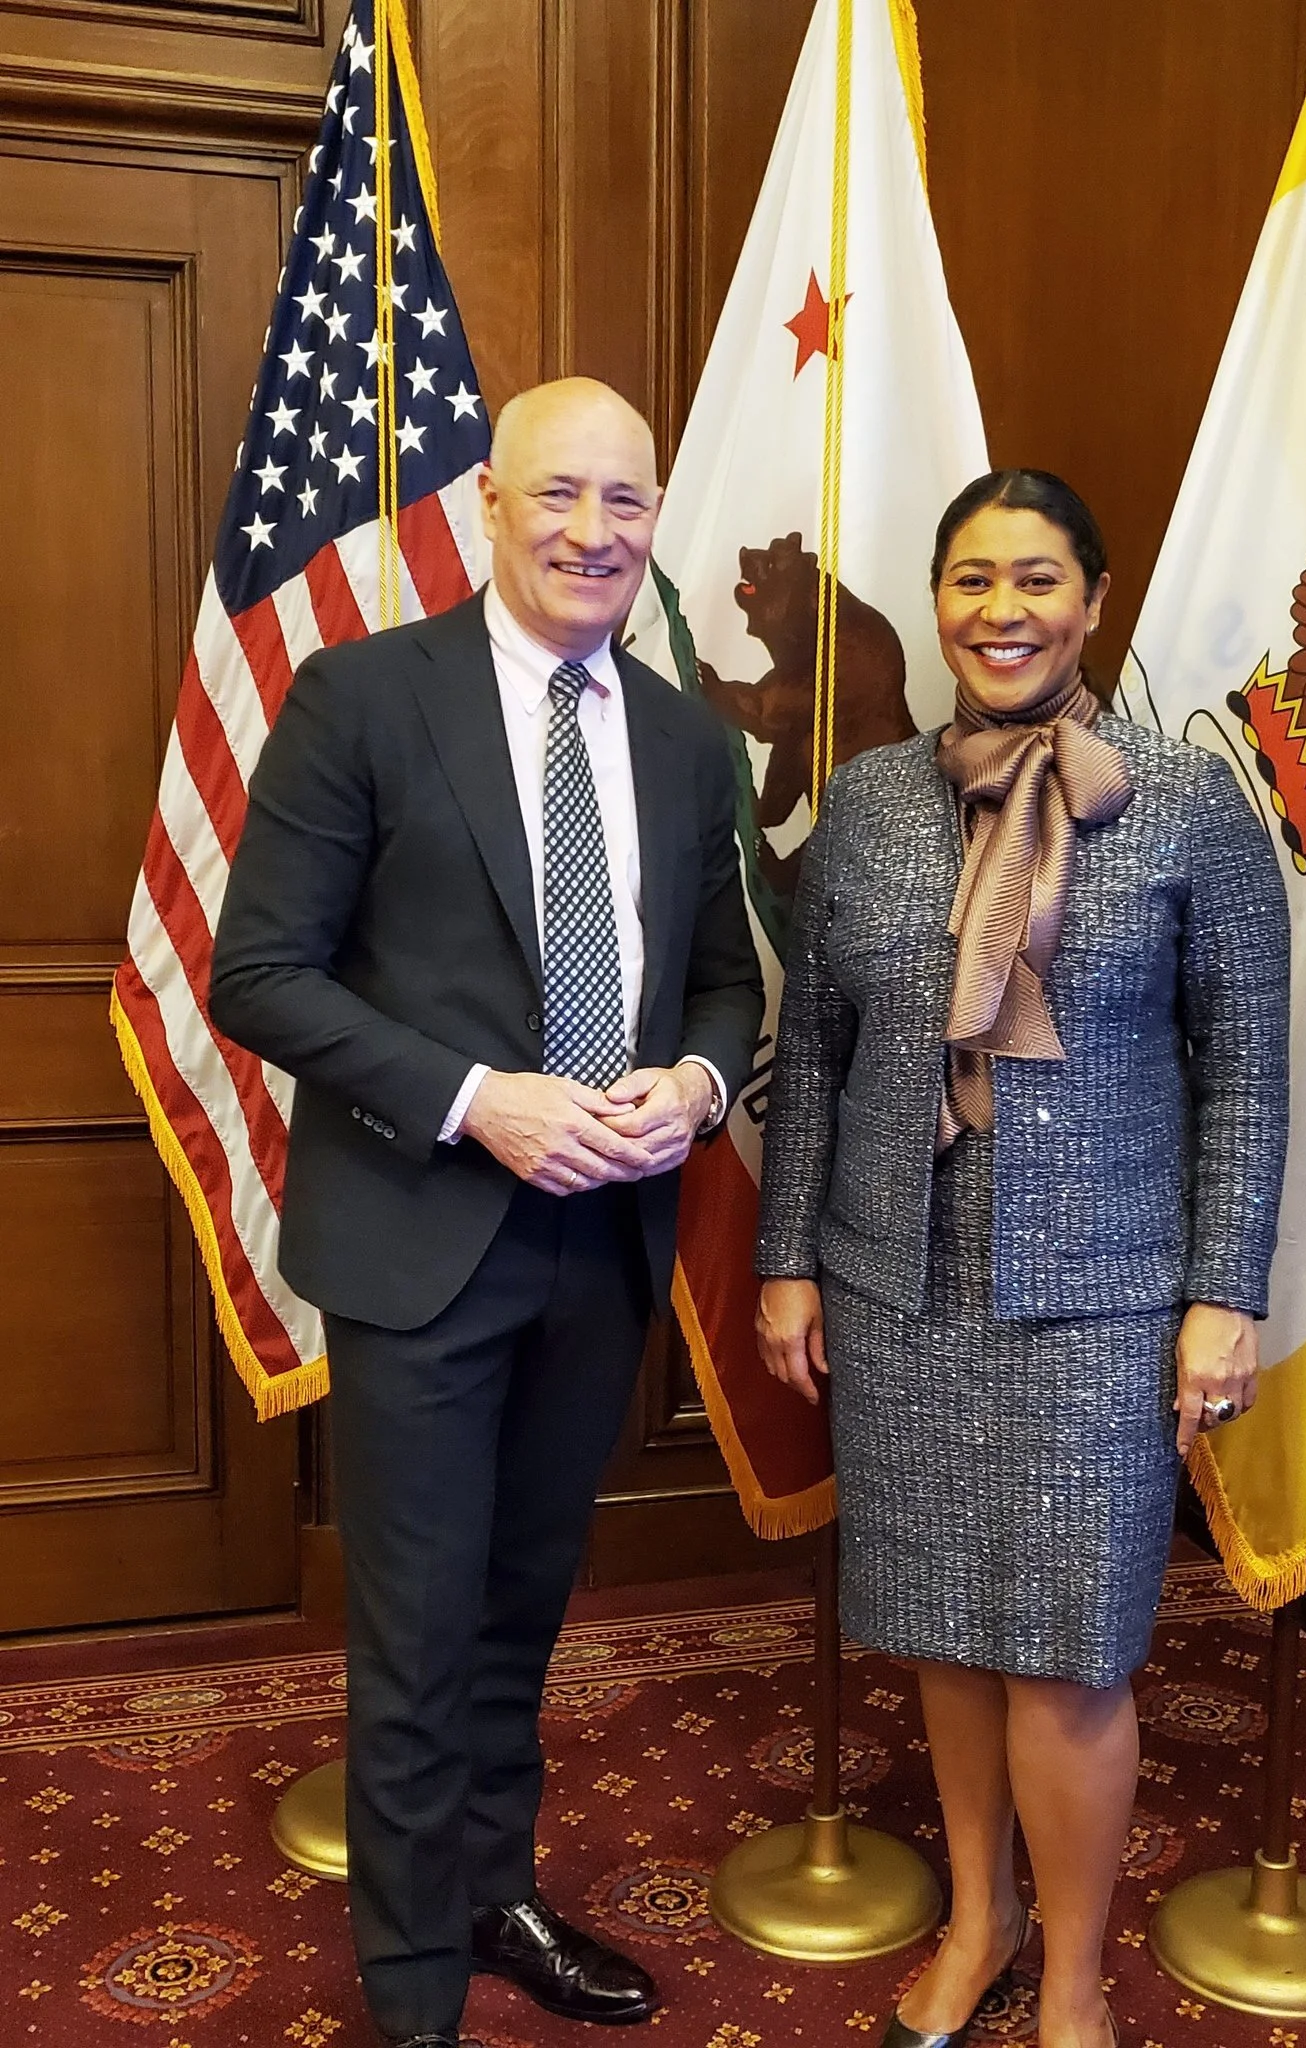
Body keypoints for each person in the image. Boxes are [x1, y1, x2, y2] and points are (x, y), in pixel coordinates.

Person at [211, 378, 763, 2048]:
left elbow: (730, 981)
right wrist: (474, 1100)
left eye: (627, 501)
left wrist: (699, 1084)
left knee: (526, 1606)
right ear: (495, 507)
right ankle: (413, 1995)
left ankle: (494, 1887)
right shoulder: (366, 696)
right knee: (420, 1622)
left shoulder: (685, 734)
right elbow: (259, 975)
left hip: (602, 1251)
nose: (595, 532)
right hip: (423, 1242)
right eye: (562, 497)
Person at [753, 470, 1291, 2048]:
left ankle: (1068, 1977)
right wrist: (788, 1260)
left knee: (1066, 1654)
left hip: (1105, 1298)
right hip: (897, 1284)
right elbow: (824, 1055)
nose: (1004, 610)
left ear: (1094, 601)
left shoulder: (1194, 808)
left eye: (1038, 578)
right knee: (939, 1618)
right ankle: (978, 1921)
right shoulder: (862, 805)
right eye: (973, 579)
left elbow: (1248, 1071)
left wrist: (1225, 1295)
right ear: (937, 607)